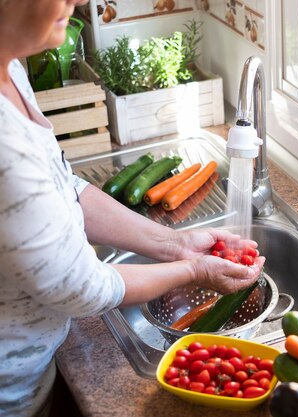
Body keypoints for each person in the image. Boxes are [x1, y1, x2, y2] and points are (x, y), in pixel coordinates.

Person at [0, 1, 265, 416]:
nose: (79, 2)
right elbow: (80, 287)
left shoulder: (9, 67)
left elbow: (62, 188)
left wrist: (175, 243)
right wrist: (195, 269)